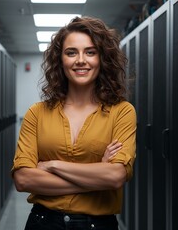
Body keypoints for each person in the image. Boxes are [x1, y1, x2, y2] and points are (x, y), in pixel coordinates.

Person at [11, 16, 136, 230]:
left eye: (90, 52)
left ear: (102, 58)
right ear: (60, 60)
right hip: (44, 223)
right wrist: (97, 176)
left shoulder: (122, 112)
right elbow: (23, 179)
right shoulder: (37, 113)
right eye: (71, 52)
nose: (80, 60)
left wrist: (53, 165)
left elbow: (115, 176)